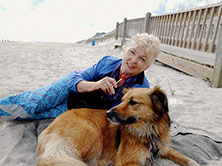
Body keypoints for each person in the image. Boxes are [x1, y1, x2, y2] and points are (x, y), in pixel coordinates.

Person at [0, 33, 160, 120]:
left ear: (147, 66)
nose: (133, 60)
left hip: (75, 108)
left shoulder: (141, 90)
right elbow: (75, 79)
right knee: (34, 103)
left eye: (142, 59)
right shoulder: (108, 62)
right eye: (132, 52)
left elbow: (124, 115)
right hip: (68, 89)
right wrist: (96, 85)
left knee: (30, 115)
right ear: (124, 51)